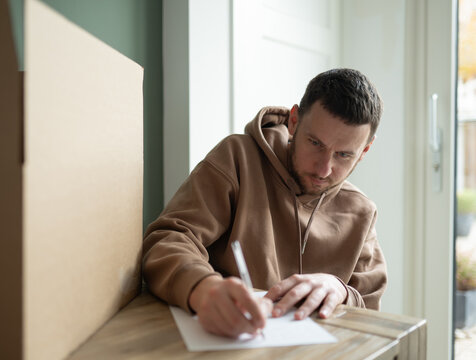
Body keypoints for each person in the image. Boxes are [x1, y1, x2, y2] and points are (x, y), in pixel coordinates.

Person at [142, 68, 387, 338]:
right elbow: (168, 238)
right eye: (315, 143)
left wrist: (341, 290)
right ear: (294, 121)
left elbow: (370, 310)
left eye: (343, 155)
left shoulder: (362, 213)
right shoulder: (238, 159)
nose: (323, 169)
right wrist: (202, 288)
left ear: (364, 150)